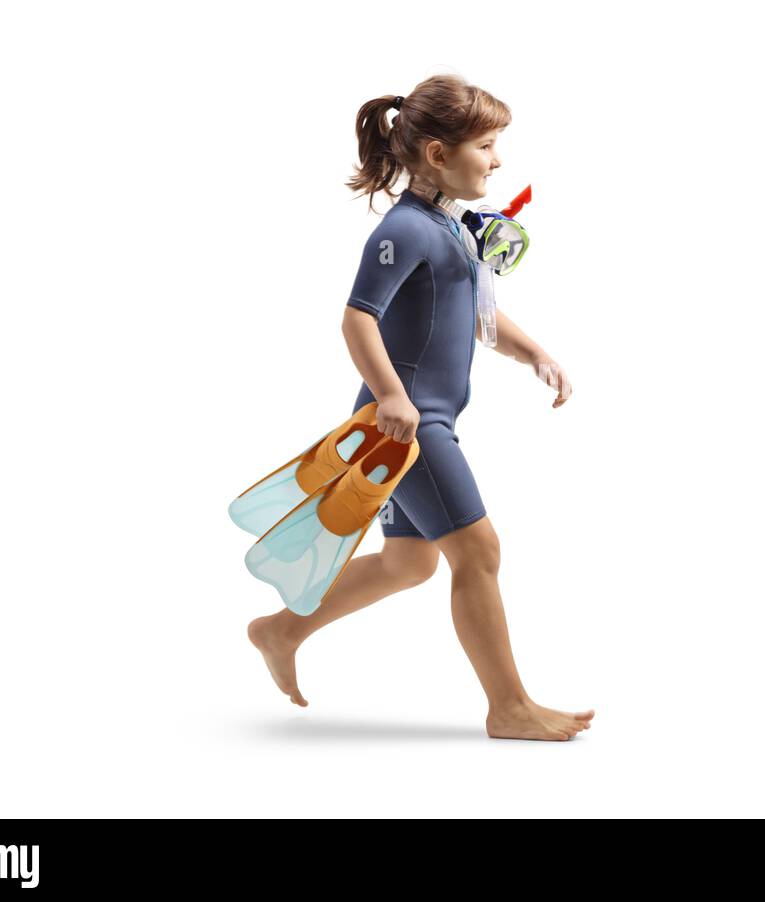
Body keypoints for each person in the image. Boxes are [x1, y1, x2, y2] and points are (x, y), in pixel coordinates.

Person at [248, 74, 593, 741]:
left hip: (416, 417)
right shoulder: (406, 230)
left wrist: (537, 354)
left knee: (411, 562)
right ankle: (510, 708)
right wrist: (393, 397)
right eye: (487, 146)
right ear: (438, 154)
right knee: (479, 551)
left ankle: (281, 631)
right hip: (410, 424)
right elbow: (357, 319)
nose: (497, 161)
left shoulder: (454, 229)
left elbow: (472, 317)